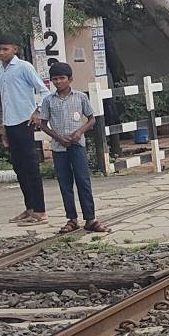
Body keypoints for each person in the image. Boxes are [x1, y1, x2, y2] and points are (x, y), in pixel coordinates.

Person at [40, 60, 106, 233]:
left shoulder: (80, 97)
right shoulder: (48, 100)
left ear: (70, 79)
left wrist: (80, 132)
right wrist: (58, 137)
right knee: (65, 183)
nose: (58, 82)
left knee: (83, 181)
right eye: (55, 79)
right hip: (59, 147)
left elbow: (91, 119)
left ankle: (90, 218)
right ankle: (72, 219)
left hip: (77, 145)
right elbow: (43, 124)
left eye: (62, 78)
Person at [0, 34, 50, 224]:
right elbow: (5, 99)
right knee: (19, 168)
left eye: (5, 49)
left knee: (31, 166)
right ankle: (30, 208)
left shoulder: (24, 67)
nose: (1, 53)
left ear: (14, 49)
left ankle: (40, 211)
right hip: (10, 123)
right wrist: (3, 126)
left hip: (25, 121)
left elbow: (44, 90)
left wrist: (38, 110)